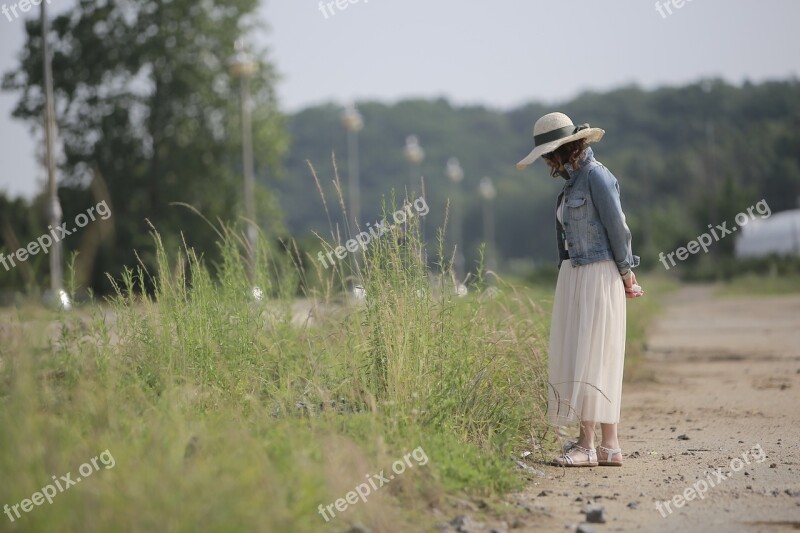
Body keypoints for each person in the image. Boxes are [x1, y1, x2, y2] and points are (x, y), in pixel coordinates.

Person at [517, 112, 643, 467]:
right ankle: (609, 447)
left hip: (597, 272)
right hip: (575, 272)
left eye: (548, 154)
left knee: (592, 353)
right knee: (588, 352)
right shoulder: (571, 184)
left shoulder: (596, 177)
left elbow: (618, 229)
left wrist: (627, 274)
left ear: (564, 149)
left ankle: (588, 445)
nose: (546, 162)